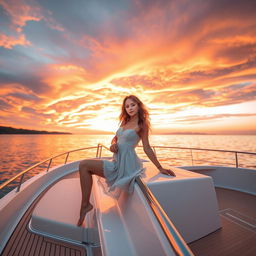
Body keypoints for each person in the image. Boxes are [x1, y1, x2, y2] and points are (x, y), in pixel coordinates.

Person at [77, 95, 176, 226]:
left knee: (84, 165)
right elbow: (116, 139)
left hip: (128, 164)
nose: (130, 108)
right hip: (116, 161)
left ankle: (85, 206)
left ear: (139, 106)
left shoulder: (142, 125)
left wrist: (160, 167)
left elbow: (146, 147)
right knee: (83, 165)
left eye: (133, 105)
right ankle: (85, 205)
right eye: (127, 106)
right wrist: (113, 146)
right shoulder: (124, 122)